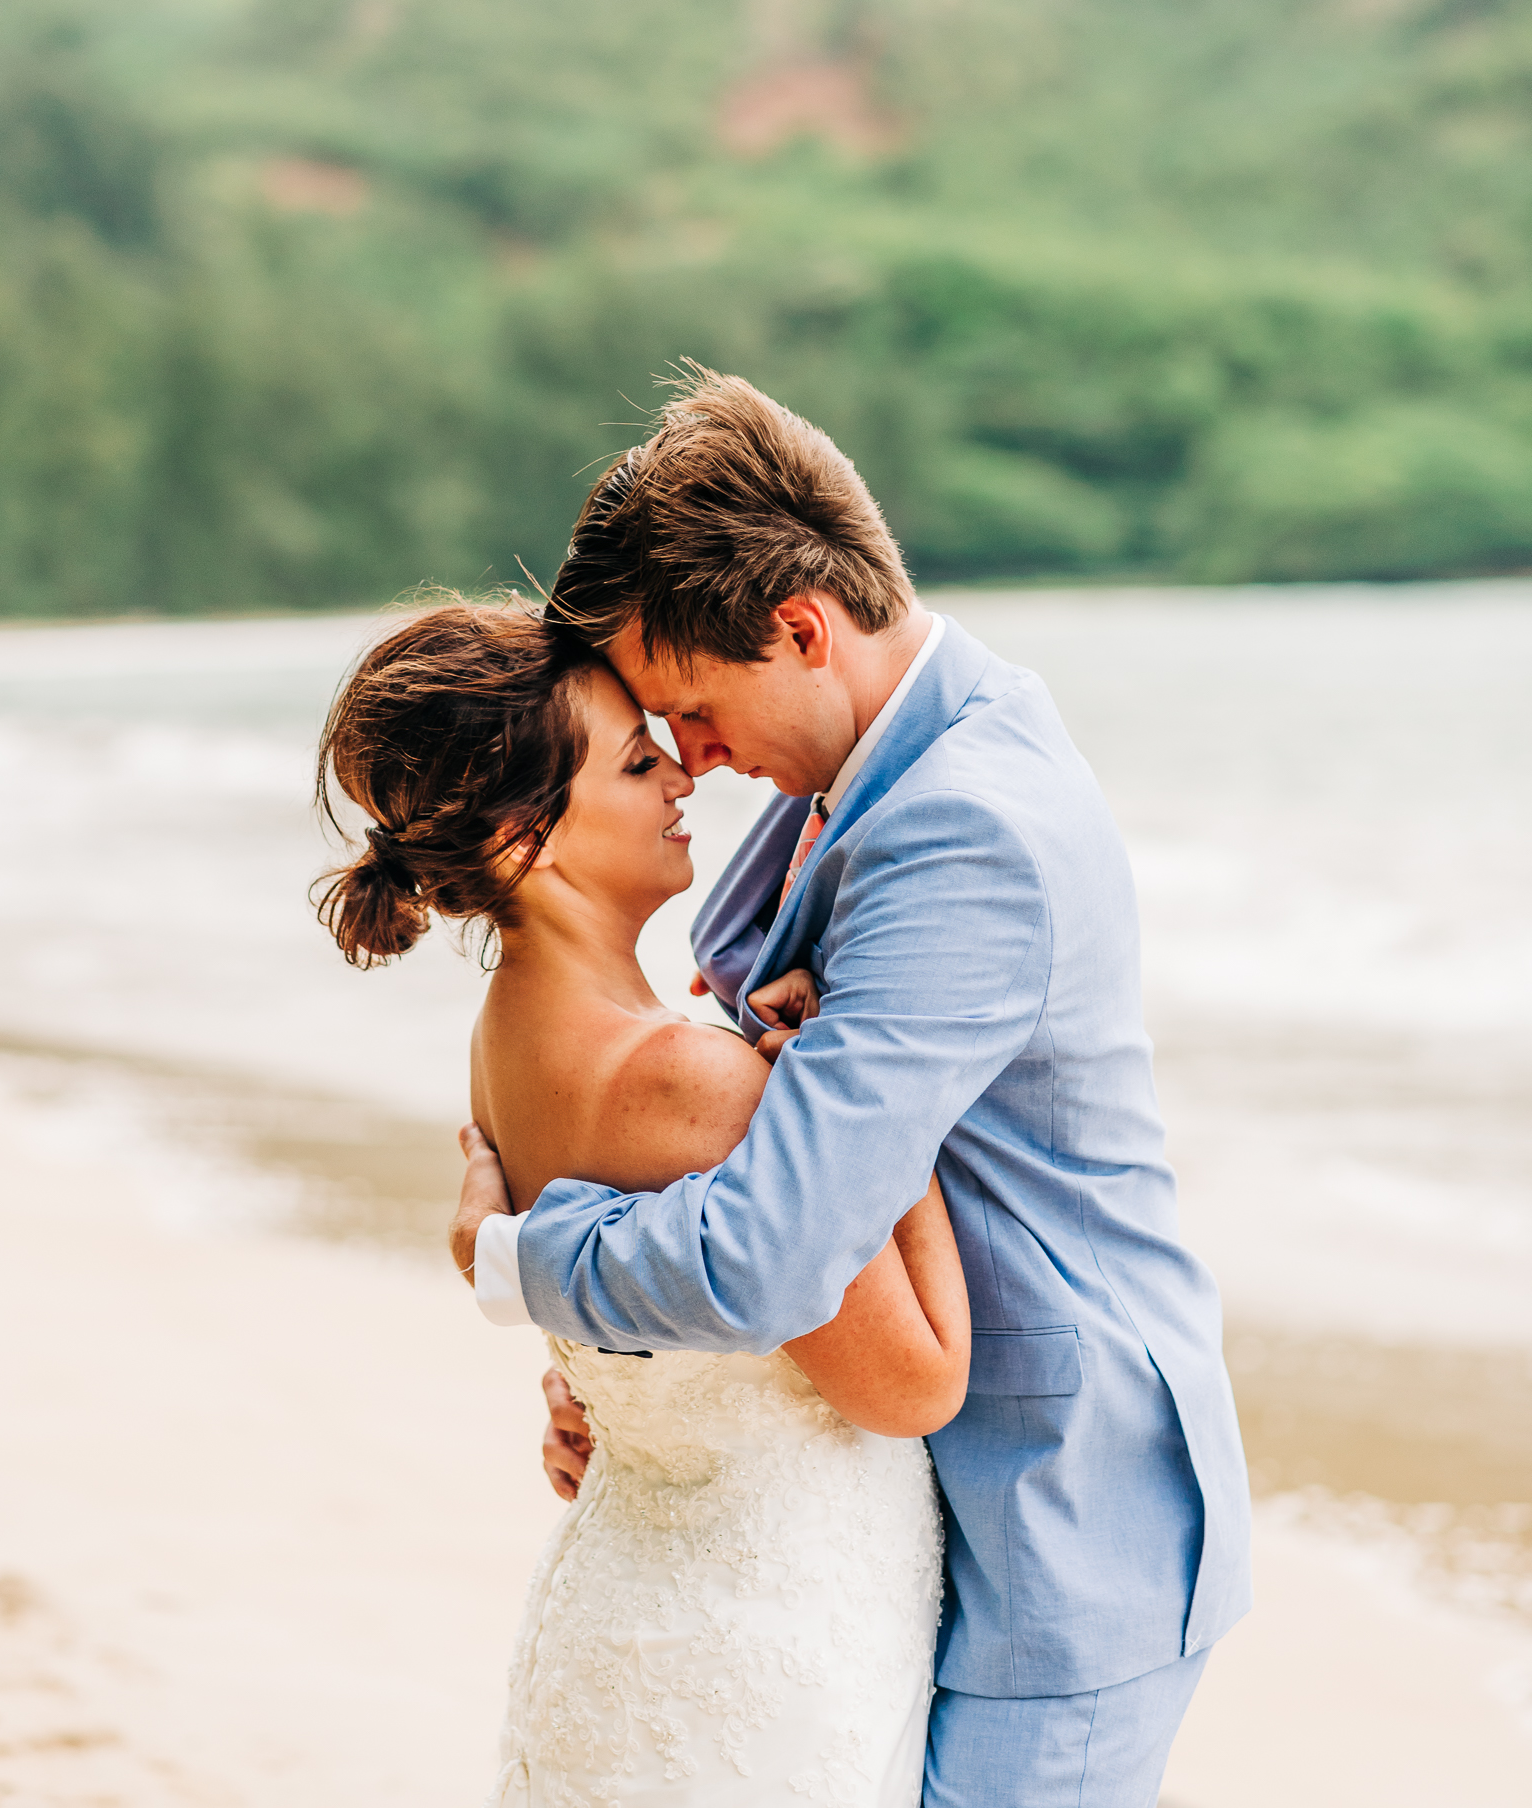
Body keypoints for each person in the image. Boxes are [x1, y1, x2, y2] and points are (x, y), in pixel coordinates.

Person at [451, 369, 1252, 1808]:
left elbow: (771, 1249)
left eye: (689, 709)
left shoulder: (966, 831)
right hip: (888, 1500)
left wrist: (521, 1260)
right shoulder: (889, 763)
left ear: (800, 629)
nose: (689, 758)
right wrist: (640, 1389)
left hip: (1055, 1513)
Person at [317, 598, 970, 1805]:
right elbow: (914, 1380)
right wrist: (881, 1102)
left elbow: (632, 1337)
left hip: (628, 1608)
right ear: (524, 843)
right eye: (632, 758)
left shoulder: (498, 1042)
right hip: (762, 1648)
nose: (678, 767)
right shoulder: (693, 1080)